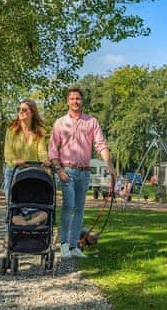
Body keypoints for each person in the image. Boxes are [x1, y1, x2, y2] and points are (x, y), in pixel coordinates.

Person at [49, 87, 117, 259]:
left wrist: (108, 164)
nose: (75, 101)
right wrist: (59, 170)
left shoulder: (91, 121)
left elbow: (101, 144)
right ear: (67, 101)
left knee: (79, 210)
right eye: (72, 99)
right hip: (67, 171)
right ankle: (64, 245)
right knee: (68, 207)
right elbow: (52, 150)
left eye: (78, 98)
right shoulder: (60, 123)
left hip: (84, 172)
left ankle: (74, 247)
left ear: (82, 101)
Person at [3, 99, 49, 225]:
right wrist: (15, 161)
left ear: (32, 113)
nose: (21, 112)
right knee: (12, 205)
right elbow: (7, 151)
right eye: (19, 109)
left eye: (24, 110)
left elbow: (41, 150)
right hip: (13, 170)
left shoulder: (39, 131)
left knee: (32, 200)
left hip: (31, 171)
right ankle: (10, 234)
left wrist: (45, 160)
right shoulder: (11, 130)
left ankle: (31, 224)